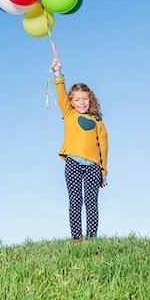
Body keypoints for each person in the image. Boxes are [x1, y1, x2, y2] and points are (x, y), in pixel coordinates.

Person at [52, 57, 108, 242]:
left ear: (91, 100)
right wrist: (58, 73)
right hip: (73, 163)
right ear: (72, 102)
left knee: (91, 203)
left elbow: (104, 147)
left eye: (85, 99)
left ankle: (92, 240)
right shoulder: (69, 114)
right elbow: (60, 93)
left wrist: (103, 171)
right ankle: (76, 239)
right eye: (77, 99)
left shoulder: (97, 123)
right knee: (75, 201)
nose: (82, 102)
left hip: (93, 167)